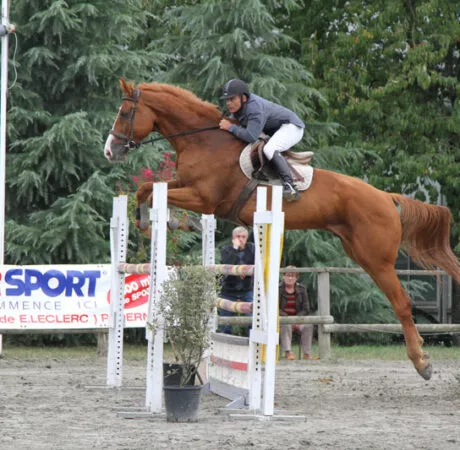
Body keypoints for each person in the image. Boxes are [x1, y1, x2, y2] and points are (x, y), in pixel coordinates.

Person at [219, 78, 305, 202]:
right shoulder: (239, 108)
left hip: (292, 127)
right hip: (277, 130)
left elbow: (251, 136)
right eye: (227, 100)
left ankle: (290, 186)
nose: (228, 103)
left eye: (232, 99)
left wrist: (231, 127)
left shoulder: (254, 109)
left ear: (243, 98)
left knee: (269, 149)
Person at [219, 226, 255, 334]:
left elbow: (256, 264)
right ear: (233, 238)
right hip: (228, 291)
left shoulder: (252, 249)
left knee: (253, 319)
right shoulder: (226, 250)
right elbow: (228, 263)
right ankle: (225, 345)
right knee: (225, 324)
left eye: (243, 237)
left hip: (246, 290)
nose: (241, 239)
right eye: (238, 236)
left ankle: (252, 344)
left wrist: (245, 271)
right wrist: (235, 248)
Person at [279, 266, 316, 360]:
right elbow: (275, 308)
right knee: (285, 324)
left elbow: (306, 308)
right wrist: (287, 318)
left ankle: (307, 354)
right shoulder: (277, 289)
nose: (290, 278)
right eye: (288, 275)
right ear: (283, 276)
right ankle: (288, 352)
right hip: (283, 320)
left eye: (293, 276)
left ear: (296, 278)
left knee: (308, 325)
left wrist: (297, 319)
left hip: (299, 320)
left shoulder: (302, 290)